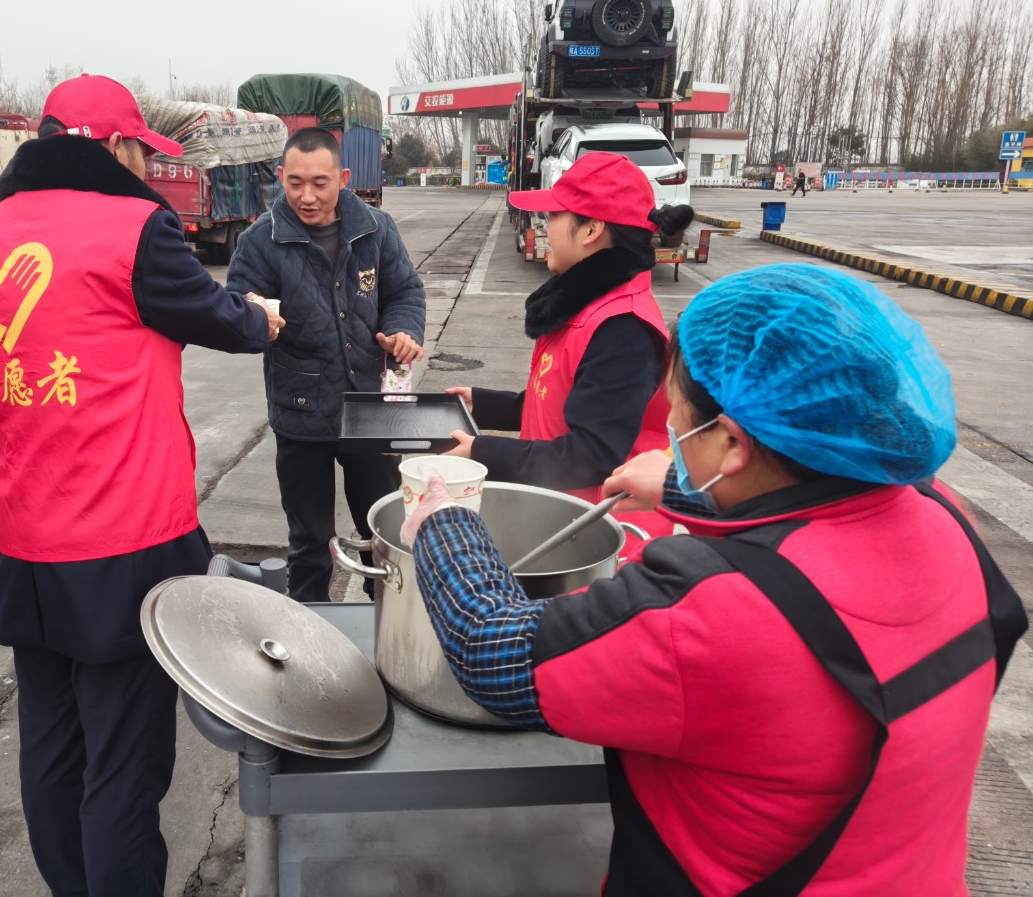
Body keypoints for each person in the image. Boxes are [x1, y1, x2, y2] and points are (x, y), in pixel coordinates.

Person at [400, 263, 1025, 895]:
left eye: (676, 414)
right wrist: (686, 485)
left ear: (730, 444)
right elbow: (807, 510)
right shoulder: (946, 517)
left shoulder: (710, 611)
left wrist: (444, 519)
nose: (669, 430)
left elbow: (491, 648)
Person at [0, 74, 280, 897]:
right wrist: (262, 316)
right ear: (120, 147)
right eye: (141, 151)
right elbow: (218, 318)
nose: (145, 167)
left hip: (26, 537)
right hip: (123, 540)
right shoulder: (135, 230)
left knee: (51, 750)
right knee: (125, 767)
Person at [442, 151, 692, 542]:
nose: (546, 225)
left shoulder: (622, 329)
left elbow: (590, 454)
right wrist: (482, 404)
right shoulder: (590, 304)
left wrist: (482, 452)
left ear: (591, 229)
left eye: (554, 215)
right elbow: (562, 404)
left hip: (592, 535)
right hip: (556, 515)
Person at [227, 127, 425, 603]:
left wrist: (402, 330)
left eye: (320, 183)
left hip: (369, 410)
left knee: (385, 533)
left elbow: (404, 291)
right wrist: (252, 314)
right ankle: (310, 625)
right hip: (301, 412)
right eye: (295, 183)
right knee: (309, 542)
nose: (307, 196)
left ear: (344, 178)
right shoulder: (260, 241)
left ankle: (389, 623)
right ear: (281, 176)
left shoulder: (376, 229)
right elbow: (235, 305)